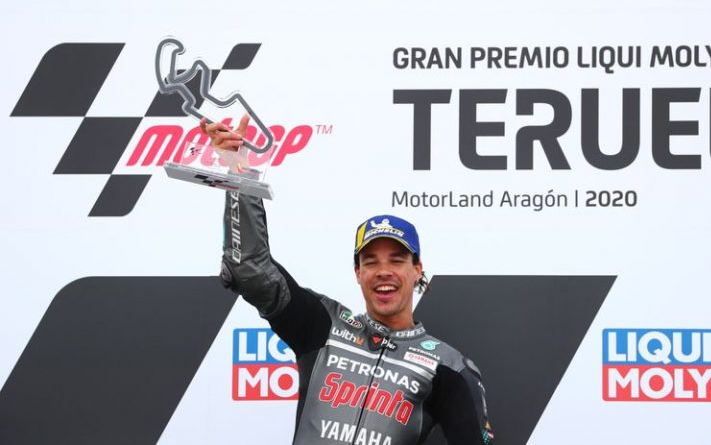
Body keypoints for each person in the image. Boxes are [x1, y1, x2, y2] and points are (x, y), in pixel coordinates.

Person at [203, 117, 495, 445]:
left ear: (417, 269)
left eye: (397, 260)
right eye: (371, 261)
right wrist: (238, 169)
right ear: (358, 273)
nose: (383, 271)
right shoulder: (322, 325)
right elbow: (250, 270)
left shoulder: (447, 365)